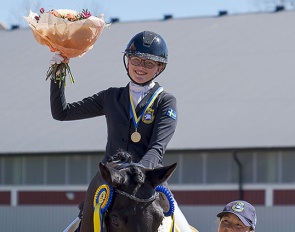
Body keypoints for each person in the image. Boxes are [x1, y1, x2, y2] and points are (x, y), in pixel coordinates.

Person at [50, 31, 191, 231]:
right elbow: (61, 113)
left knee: (184, 228)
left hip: (148, 184)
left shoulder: (165, 101)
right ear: (127, 61)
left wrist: (137, 176)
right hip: (111, 183)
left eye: (149, 63)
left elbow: (157, 148)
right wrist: (58, 73)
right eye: (136, 60)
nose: (140, 67)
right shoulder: (111, 97)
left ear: (159, 67)